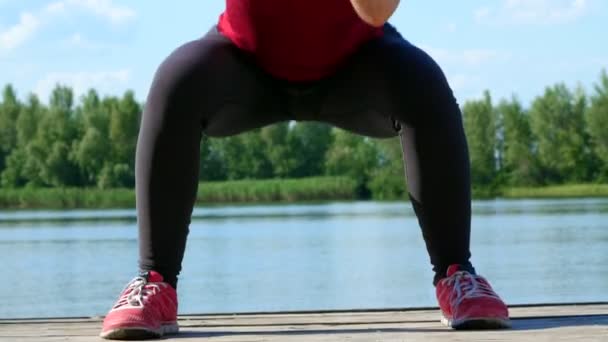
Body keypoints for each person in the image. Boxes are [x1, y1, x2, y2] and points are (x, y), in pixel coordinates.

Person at [100, 0, 511, 339]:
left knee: (424, 83)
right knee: (176, 81)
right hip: (247, 62)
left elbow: (376, 12)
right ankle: (155, 283)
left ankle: (457, 275)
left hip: (355, 64)